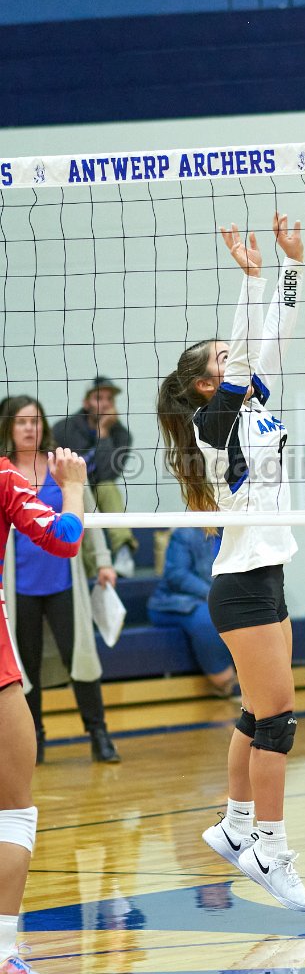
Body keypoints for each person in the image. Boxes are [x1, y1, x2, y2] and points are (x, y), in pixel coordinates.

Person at [157, 212, 305, 912]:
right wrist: (249, 280)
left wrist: (289, 268)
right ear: (204, 385)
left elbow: (272, 339)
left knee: (256, 711)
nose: (238, 359)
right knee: (277, 718)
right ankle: (268, 849)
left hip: (266, 574)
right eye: (221, 359)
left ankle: (234, 825)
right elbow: (248, 352)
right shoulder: (211, 424)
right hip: (242, 584)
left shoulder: (251, 401)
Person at [0, 437, 86, 974]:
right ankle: (3, 953)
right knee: (13, 812)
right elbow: (64, 538)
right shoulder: (3, 478)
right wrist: (72, 487)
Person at [0, 396, 121, 765]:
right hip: (20, 589)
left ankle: (98, 734)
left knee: (80, 659)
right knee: (26, 667)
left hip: (63, 581)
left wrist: (103, 562)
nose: (29, 428)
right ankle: (35, 739)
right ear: (9, 427)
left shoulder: (61, 467)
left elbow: (85, 516)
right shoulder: (5, 473)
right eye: (21, 421)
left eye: (35, 420)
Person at [53, 376, 138, 577]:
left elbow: (108, 474)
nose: (106, 403)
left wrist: (103, 432)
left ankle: (123, 552)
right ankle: (90, 569)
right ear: (86, 403)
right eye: (99, 398)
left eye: (110, 399)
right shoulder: (63, 429)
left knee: (108, 488)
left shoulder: (122, 435)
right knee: (81, 496)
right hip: (70, 491)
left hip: (98, 490)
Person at [147, 527, 239, 697]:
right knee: (208, 619)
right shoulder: (185, 533)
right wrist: (213, 594)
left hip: (219, 598)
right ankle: (225, 681)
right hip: (176, 601)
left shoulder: (235, 532)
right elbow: (176, 575)